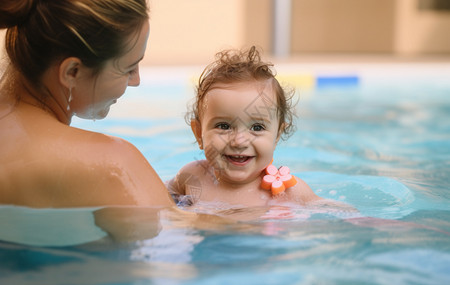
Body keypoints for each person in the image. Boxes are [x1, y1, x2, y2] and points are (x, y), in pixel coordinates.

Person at [0, 0, 174, 208]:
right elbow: (179, 235)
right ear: (72, 71)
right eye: (129, 69)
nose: (136, 81)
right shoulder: (113, 166)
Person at [168, 46, 354, 216]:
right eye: (224, 126)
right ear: (198, 133)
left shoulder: (289, 191)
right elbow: (158, 200)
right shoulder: (190, 177)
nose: (239, 140)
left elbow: (339, 212)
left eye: (257, 127)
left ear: (277, 135)